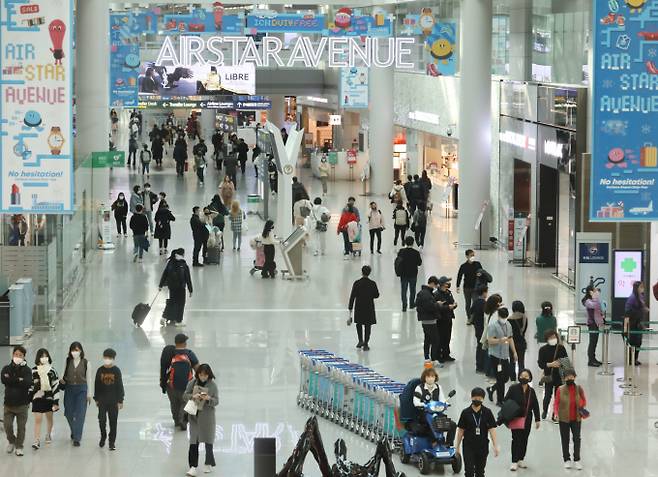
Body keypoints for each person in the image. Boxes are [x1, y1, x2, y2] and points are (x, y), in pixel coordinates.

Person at [183, 364, 219, 476]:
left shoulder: (212, 386)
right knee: (194, 442)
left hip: (207, 418)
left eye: (205, 375)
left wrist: (208, 399)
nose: (203, 377)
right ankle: (193, 466)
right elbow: (185, 395)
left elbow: (216, 401)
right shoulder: (192, 383)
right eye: (200, 375)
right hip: (194, 417)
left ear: (209, 374)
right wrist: (192, 397)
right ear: (197, 374)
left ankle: (208, 463)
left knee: (208, 441)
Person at [455, 387, 499, 477]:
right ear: (471, 398)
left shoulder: (487, 412)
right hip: (468, 446)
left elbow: (492, 430)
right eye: (475, 398)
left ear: (483, 399)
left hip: (482, 446)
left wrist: (495, 445)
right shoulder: (465, 412)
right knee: (469, 472)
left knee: (480, 472)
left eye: (480, 399)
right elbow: (460, 430)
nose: (477, 400)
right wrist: (457, 446)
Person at [160, 334, 199, 431]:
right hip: (187, 386)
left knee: (174, 403)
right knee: (185, 402)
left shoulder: (169, 353)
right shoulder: (189, 353)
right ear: (185, 343)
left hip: (171, 386)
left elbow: (164, 369)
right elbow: (197, 368)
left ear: (175, 342)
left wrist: (162, 382)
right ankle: (183, 420)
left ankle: (177, 421)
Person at [504, 369, 540, 470]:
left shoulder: (531, 391)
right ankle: (514, 461)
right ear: (519, 377)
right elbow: (506, 400)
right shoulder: (513, 388)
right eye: (522, 376)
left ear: (530, 378)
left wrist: (538, 419)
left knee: (524, 438)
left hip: (527, 418)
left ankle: (521, 459)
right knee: (516, 439)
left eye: (526, 376)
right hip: (515, 417)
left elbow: (535, 405)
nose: (524, 378)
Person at [412, 368, 456, 445]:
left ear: (435, 377)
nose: (430, 378)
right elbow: (416, 402)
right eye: (428, 376)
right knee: (430, 422)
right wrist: (423, 405)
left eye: (432, 376)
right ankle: (434, 441)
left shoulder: (438, 387)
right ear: (424, 377)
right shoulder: (419, 388)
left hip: (437, 413)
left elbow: (442, 399)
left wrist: (445, 404)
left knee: (452, 425)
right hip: (425, 414)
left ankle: (449, 444)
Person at [553, 369, 586, 470]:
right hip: (564, 418)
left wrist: (581, 404)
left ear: (575, 377)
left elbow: (584, 400)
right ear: (564, 378)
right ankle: (566, 459)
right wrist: (556, 413)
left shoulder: (579, 388)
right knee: (565, 439)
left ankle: (577, 459)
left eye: (571, 376)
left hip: (576, 418)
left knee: (577, 438)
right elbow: (556, 402)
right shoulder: (560, 389)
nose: (569, 378)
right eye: (567, 377)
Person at [2, 345, 32, 456]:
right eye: (16, 354)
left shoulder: (27, 370)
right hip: (8, 405)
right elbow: (4, 379)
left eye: (20, 355)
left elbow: (28, 382)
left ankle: (19, 446)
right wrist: (18, 380)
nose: (17, 357)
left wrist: (12, 380)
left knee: (21, 427)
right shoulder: (6, 368)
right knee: (7, 426)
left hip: (22, 405)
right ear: (12, 355)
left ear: (24, 357)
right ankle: (12, 441)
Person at [61, 342, 92, 446]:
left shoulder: (86, 363)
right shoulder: (67, 361)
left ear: (81, 351)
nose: (75, 352)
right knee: (68, 412)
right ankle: (74, 430)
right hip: (69, 388)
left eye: (77, 350)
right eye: (73, 350)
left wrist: (89, 393)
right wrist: (61, 380)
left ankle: (77, 438)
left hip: (82, 389)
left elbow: (89, 379)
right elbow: (63, 373)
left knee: (80, 414)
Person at [93, 348, 124, 451]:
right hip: (102, 400)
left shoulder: (116, 370)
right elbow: (96, 385)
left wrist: (120, 400)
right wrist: (96, 398)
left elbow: (120, 385)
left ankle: (112, 442)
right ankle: (103, 436)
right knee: (102, 420)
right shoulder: (100, 370)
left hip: (113, 401)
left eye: (109, 358)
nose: (107, 360)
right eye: (105, 357)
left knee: (113, 421)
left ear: (113, 359)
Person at [29, 348, 60, 450]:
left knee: (49, 417)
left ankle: (48, 434)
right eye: (42, 356)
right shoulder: (33, 371)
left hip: (49, 397)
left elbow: (55, 386)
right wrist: (29, 398)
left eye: (46, 356)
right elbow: (31, 385)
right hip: (37, 397)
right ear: (38, 358)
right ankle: (36, 440)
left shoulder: (52, 371)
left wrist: (56, 401)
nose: (44, 358)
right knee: (38, 419)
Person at [486, 308, 517, 406]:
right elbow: (490, 341)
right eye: (502, 317)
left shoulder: (508, 325)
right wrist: (499, 340)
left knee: (505, 377)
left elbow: (510, 338)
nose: (504, 319)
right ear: (498, 316)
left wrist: (514, 352)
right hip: (495, 356)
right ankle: (500, 400)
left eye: (505, 317)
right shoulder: (493, 326)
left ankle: (491, 389)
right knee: (500, 379)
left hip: (505, 356)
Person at [537, 329, 569, 421]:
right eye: (551, 338)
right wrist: (550, 364)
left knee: (558, 396)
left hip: (559, 376)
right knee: (547, 395)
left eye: (554, 337)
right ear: (547, 339)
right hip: (548, 376)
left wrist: (560, 363)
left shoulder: (561, 348)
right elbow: (540, 364)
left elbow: (566, 362)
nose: (553, 339)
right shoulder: (543, 350)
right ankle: (545, 410)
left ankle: (555, 414)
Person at [348, 265, 380, 351]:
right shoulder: (372, 283)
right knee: (367, 325)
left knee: (359, 324)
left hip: (359, 306)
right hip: (369, 306)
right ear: (369, 273)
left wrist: (350, 307)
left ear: (362, 272)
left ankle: (360, 340)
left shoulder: (357, 283)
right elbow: (377, 295)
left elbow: (352, 296)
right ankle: (366, 343)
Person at [415, 276, 442, 366]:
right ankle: (433, 359)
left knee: (427, 339)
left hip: (425, 320)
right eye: (435, 285)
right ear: (432, 283)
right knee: (435, 340)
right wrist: (437, 304)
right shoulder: (426, 294)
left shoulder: (423, 293)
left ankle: (427, 359)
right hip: (430, 320)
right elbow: (430, 307)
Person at [456, 249, 484, 325]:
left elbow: (482, 272)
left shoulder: (477, 264)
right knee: (468, 304)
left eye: (473, 255)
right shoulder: (463, 266)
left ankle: (474, 318)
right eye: (471, 255)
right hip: (467, 288)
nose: (473, 257)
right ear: (467, 256)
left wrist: (480, 274)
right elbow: (459, 276)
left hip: (476, 287)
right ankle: (469, 318)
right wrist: (457, 286)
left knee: (475, 302)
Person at [625, 281, 648, 366]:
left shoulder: (640, 297)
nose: (642, 289)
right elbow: (627, 311)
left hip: (639, 323)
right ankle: (631, 359)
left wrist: (644, 309)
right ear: (636, 288)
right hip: (633, 323)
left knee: (638, 342)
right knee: (633, 341)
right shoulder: (632, 298)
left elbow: (642, 307)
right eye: (641, 287)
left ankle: (635, 358)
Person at [397, 236, 422, 312]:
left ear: (405, 242)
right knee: (412, 289)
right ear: (413, 243)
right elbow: (419, 263)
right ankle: (411, 304)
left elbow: (398, 261)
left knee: (404, 290)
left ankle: (404, 306)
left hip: (403, 274)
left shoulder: (401, 251)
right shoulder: (416, 252)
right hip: (413, 274)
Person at [435, 276, 457, 362]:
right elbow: (437, 307)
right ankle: (438, 355)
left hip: (448, 318)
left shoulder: (448, 293)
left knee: (447, 337)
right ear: (443, 284)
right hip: (441, 319)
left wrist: (454, 305)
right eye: (447, 282)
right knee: (440, 338)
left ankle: (446, 354)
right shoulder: (437, 294)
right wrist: (448, 307)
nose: (448, 284)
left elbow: (451, 302)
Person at [582, 285, 604, 367]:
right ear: (590, 292)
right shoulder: (588, 301)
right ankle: (590, 360)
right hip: (592, 324)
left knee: (595, 342)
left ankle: (594, 359)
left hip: (596, 323)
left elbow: (599, 307)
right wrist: (595, 298)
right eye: (594, 291)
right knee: (592, 342)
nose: (596, 292)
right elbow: (594, 306)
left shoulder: (594, 299)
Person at [508, 301, 528, 382]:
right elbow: (524, 330)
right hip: (522, 342)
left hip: (512, 343)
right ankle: (522, 377)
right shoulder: (525, 318)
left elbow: (508, 334)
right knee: (521, 362)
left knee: (512, 361)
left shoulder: (509, 319)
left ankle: (512, 378)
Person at [471, 287, 488, 374]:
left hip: (477, 327)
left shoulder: (475, 301)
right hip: (482, 328)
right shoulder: (484, 303)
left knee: (479, 346)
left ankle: (478, 366)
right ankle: (483, 366)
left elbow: (471, 311)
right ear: (484, 293)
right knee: (483, 347)